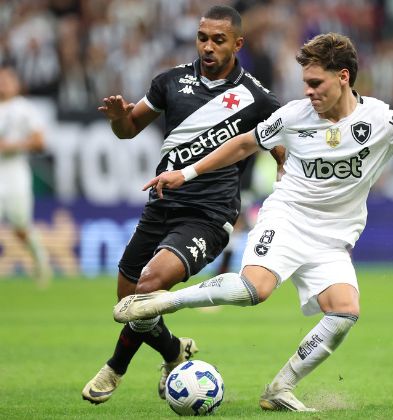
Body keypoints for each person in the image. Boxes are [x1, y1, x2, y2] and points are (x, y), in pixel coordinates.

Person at [113, 32, 393, 412]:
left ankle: (280, 388)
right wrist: (186, 173)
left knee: (345, 311)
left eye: (316, 83)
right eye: (305, 83)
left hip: (333, 239)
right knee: (254, 289)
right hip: (288, 218)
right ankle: (163, 301)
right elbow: (244, 144)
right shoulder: (294, 115)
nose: (308, 91)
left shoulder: (379, 118)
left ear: (343, 77)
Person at [82, 5, 283, 404]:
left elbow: (283, 150)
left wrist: (284, 176)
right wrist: (119, 118)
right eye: (202, 38)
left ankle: (114, 368)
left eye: (218, 40)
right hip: (161, 203)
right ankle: (174, 351)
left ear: (237, 44)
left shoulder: (258, 99)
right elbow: (128, 129)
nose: (208, 47)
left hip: (209, 214)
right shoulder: (169, 82)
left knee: (149, 286)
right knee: (128, 299)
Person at [0, 66, 52, 288]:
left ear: (17, 84)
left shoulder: (24, 108)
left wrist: (12, 146)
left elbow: (40, 141)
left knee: (20, 225)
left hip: (15, 171)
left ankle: (39, 258)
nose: (3, 84)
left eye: (7, 80)